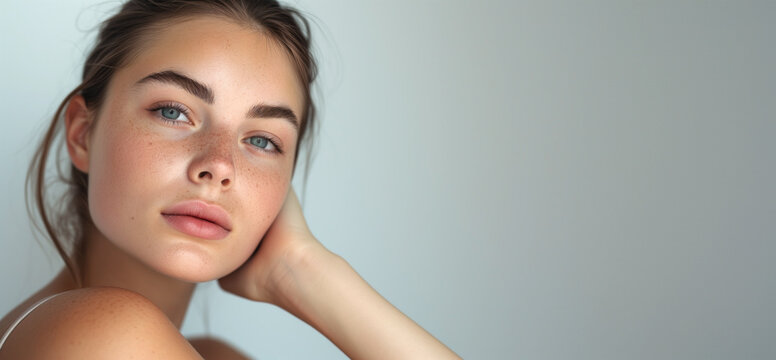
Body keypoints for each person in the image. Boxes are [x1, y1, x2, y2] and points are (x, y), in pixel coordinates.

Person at [0, 1, 459, 358]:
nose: (219, 165)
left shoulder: (211, 354)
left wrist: (301, 268)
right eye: (173, 111)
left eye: (261, 141)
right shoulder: (110, 334)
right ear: (82, 134)